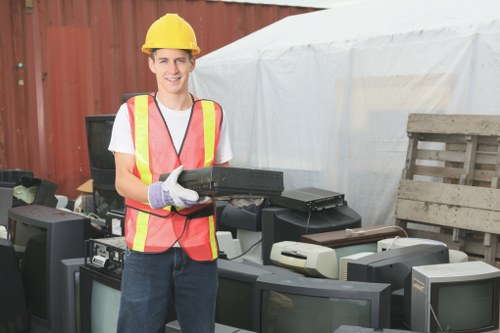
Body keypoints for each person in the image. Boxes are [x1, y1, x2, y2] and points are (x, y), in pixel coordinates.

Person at [108, 13, 232, 333]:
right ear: (151, 64)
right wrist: (158, 193)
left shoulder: (213, 113)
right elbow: (122, 179)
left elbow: (225, 174)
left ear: (193, 62)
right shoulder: (131, 112)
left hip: (200, 252)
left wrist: (241, 195)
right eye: (163, 60)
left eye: (180, 60)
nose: (172, 70)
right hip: (147, 251)